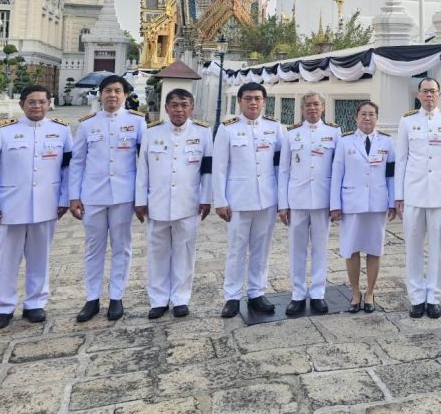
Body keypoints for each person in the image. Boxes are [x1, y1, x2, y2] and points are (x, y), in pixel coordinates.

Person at [0, 86, 71, 329]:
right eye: (32, 102)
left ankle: (35, 303)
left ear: (49, 104)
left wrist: (64, 199)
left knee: (40, 258)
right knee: (8, 259)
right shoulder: (5, 131)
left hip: (46, 204)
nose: (37, 106)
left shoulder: (61, 131)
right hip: (11, 205)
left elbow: (67, 169)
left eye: (42, 102)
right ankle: (3, 306)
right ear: (22, 105)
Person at [69, 74, 146, 322]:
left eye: (117, 91)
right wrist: (74, 196)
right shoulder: (88, 125)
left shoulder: (137, 122)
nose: (112, 95)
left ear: (125, 95)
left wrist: (142, 197)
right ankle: (92, 298)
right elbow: (77, 162)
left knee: (122, 247)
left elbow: (144, 163)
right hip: (93, 194)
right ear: (100, 95)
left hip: (124, 195)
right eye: (107, 91)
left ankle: (116, 297)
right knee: (94, 248)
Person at [134, 89, 212, 319]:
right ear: (166, 108)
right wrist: (140, 200)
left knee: (185, 252)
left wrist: (206, 198)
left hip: (188, 203)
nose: (179, 110)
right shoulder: (151, 133)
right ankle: (158, 299)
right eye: (174, 105)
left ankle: (180, 298)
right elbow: (142, 169)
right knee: (158, 253)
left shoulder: (203, 133)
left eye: (184, 105)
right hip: (157, 203)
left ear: (191, 108)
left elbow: (207, 170)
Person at [213, 82, 285, 319]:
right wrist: (220, 200)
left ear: (264, 101)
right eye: (248, 98)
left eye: (257, 98)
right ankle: (232, 296)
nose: (253, 102)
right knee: (236, 249)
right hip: (238, 200)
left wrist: (282, 201)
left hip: (267, 198)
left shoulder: (274, 128)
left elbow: (281, 167)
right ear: (240, 102)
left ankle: (256, 292)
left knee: (261, 249)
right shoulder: (227, 129)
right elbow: (220, 168)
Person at [394, 77, 441, 319]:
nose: (429, 96)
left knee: (437, 248)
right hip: (413, 193)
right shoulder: (407, 121)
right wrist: (399, 195)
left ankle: (433, 297)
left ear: (439, 95)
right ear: (418, 95)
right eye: (425, 92)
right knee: (413, 247)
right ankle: (416, 297)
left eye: (433, 91)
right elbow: (401, 159)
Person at [330, 101, 396, 313]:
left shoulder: (387, 142)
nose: (367, 118)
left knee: (375, 249)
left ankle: (370, 292)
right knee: (351, 249)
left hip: (377, 203)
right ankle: (356, 291)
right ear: (356, 117)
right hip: (352, 203)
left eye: (371, 114)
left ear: (377, 118)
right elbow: (336, 174)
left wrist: (393, 201)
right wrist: (335, 204)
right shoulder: (345, 142)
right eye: (363, 114)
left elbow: (391, 175)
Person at [279, 92, 341, 316]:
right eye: (308, 105)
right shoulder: (291, 133)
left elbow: (337, 170)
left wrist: (336, 204)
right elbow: (284, 170)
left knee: (320, 249)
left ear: (323, 107)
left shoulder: (334, 133)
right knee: (296, 249)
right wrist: (283, 204)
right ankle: (297, 293)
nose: (312, 108)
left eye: (316, 104)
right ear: (302, 108)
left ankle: (318, 293)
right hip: (297, 199)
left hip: (323, 200)